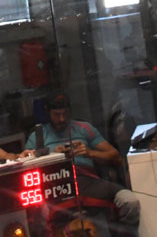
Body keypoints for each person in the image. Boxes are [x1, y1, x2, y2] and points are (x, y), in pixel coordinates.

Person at [30, 92, 140, 237]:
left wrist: (88, 153)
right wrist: (54, 157)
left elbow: (115, 157)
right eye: (56, 115)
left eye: (64, 114)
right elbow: (27, 165)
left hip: (89, 182)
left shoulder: (84, 128)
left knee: (130, 202)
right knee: (37, 220)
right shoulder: (38, 136)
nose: (61, 119)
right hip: (57, 188)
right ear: (47, 113)